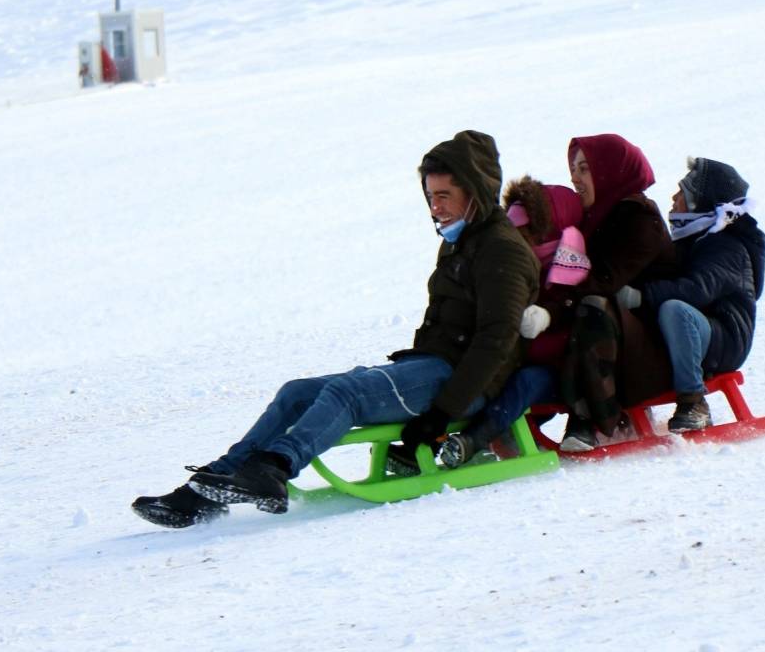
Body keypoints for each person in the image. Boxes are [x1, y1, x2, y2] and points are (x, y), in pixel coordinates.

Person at [132, 130, 540, 528]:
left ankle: (275, 468)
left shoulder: (500, 250)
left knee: (347, 394)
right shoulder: (461, 240)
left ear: (476, 193)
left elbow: (495, 341)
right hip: (431, 368)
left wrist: (441, 416)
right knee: (296, 394)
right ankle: (209, 488)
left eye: (444, 196)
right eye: (430, 197)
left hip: (463, 384)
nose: (435, 208)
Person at [439, 176, 590, 468]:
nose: (516, 242)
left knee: (525, 382)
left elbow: (579, 318)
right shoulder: (515, 267)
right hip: (522, 358)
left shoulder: (574, 270)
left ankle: (475, 437)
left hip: (564, 370)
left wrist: (546, 320)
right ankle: (442, 436)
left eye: (524, 233)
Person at [546, 134, 679, 451]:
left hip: (650, 343)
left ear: (610, 171)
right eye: (573, 169)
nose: (574, 177)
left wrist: (555, 306)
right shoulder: (594, 220)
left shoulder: (640, 218)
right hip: (620, 336)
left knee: (591, 305)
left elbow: (605, 279)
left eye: (584, 169)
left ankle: (588, 419)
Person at [615, 157, 765, 431]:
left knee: (674, 309)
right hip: (697, 332)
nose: (673, 198)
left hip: (726, 338)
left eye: (682, 192)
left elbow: (697, 289)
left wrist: (641, 295)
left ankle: (694, 402)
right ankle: (627, 405)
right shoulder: (692, 239)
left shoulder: (725, 246)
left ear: (700, 202)